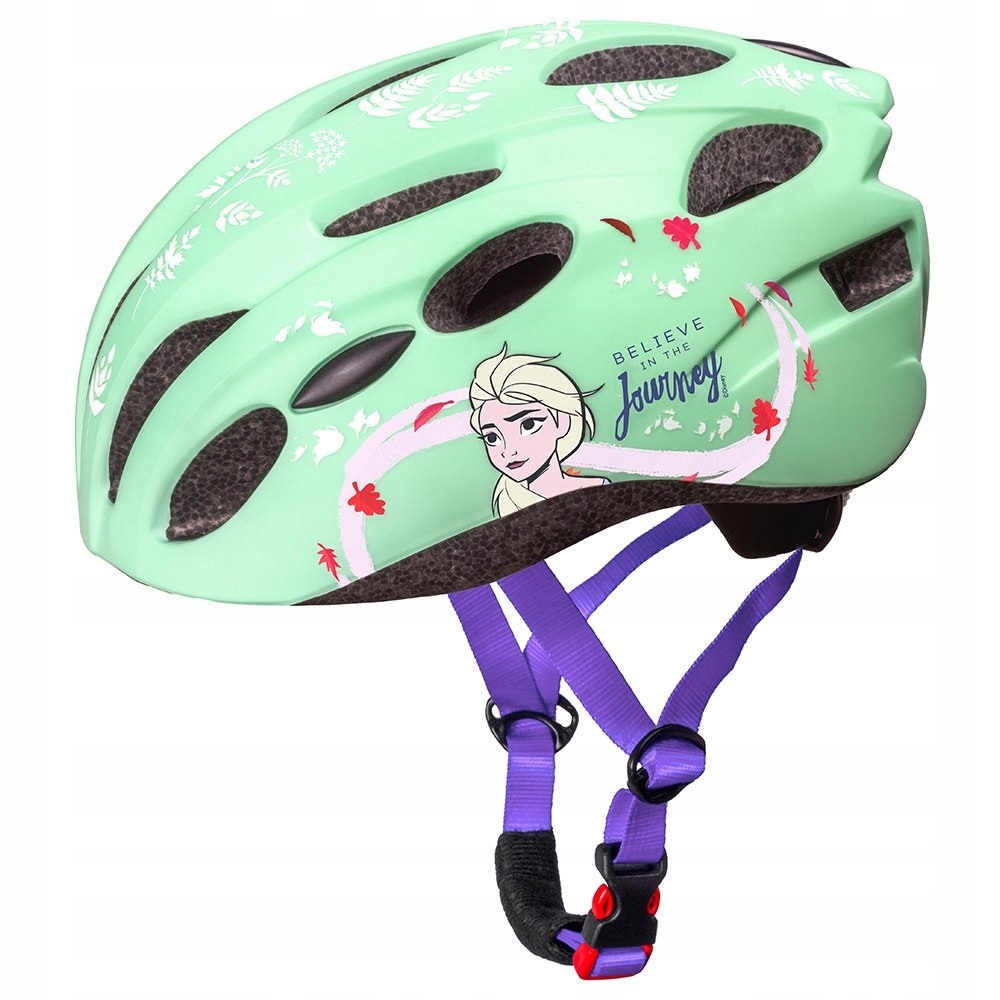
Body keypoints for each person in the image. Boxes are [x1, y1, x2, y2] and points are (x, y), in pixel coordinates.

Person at [469, 344, 608, 516]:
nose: (508, 451)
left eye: (528, 425)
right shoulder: (508, 506)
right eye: (492, 438)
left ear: (562, 421)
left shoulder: (600, 488)